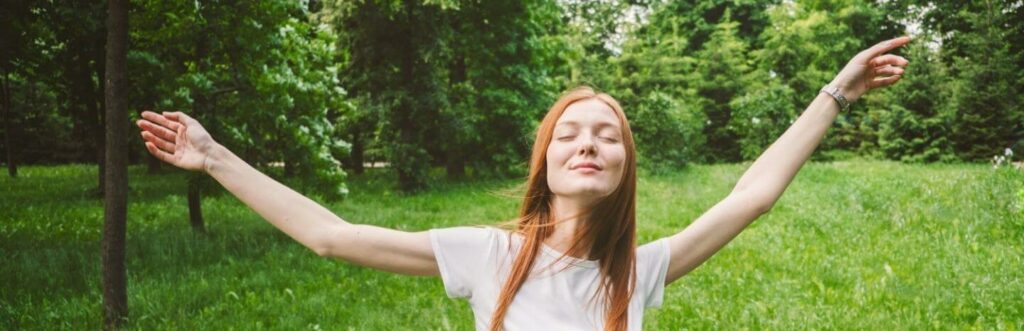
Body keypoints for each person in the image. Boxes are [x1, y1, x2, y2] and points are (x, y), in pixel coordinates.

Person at [136, 36, 911, 330]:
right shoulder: (488, 254)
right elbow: (330, 236)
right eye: (568, 133)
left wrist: (835, 94)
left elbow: (752, 196)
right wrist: (215, 157)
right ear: (545, 164)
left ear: (625, 168)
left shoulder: (639, 271)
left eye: (606, 134)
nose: (588, 142)